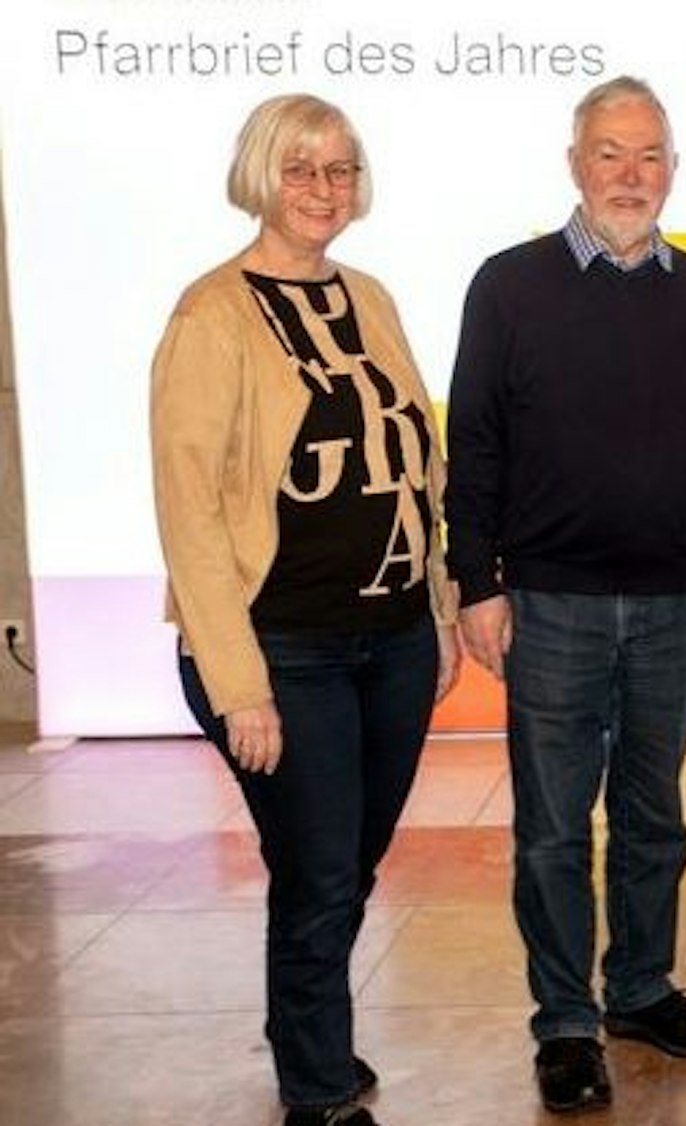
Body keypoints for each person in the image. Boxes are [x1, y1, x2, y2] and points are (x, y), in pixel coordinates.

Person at [444, 75, 686, 1115]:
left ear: (671, 169)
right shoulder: (507, 284)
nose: (630, 175)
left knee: (652, 817)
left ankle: (636, 990)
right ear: (575, 163)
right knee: (549, 827)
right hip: (548, 604)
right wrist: (474, 581)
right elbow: (475, 447)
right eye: (609, 154)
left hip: (674, 599)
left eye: (649, 156)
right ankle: (565, 1023)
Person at [151, 93, 459, 1126]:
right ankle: (318, 1088)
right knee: (320, 869)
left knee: (346, 863)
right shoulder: (211, 315)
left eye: (341, 168)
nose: (324, 189)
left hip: (394, 638)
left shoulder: (367, 295)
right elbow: (190, 513)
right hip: (280, 650)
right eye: (300, 169)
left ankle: (307, 1034)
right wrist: (240, 685)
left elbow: (422, 461)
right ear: (260, 176)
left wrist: (441, 605)